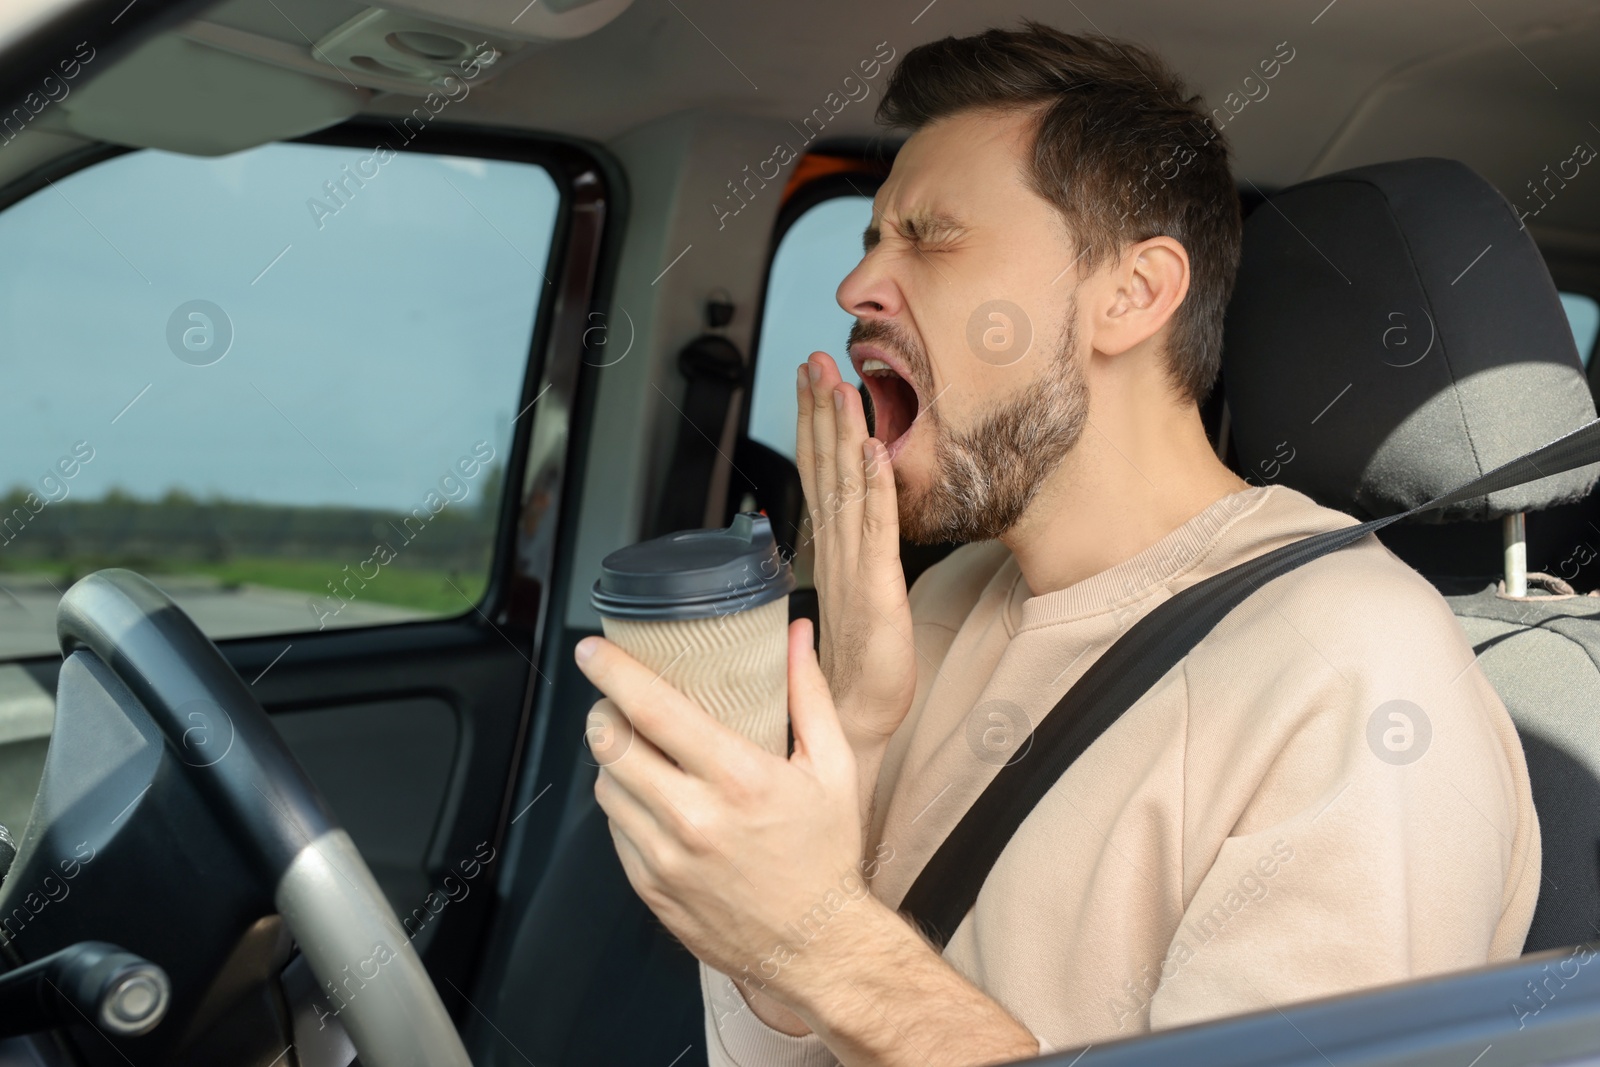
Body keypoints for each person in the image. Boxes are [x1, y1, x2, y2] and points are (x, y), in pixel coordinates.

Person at [574, 22, 1539, 1067]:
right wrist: (846, 732)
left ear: (1130, 296)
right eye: (867, 243)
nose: (858, 289)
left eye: (931, 236)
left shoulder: (1354, 671)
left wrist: (821, 932)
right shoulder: (940, 603)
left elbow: (832, 960)